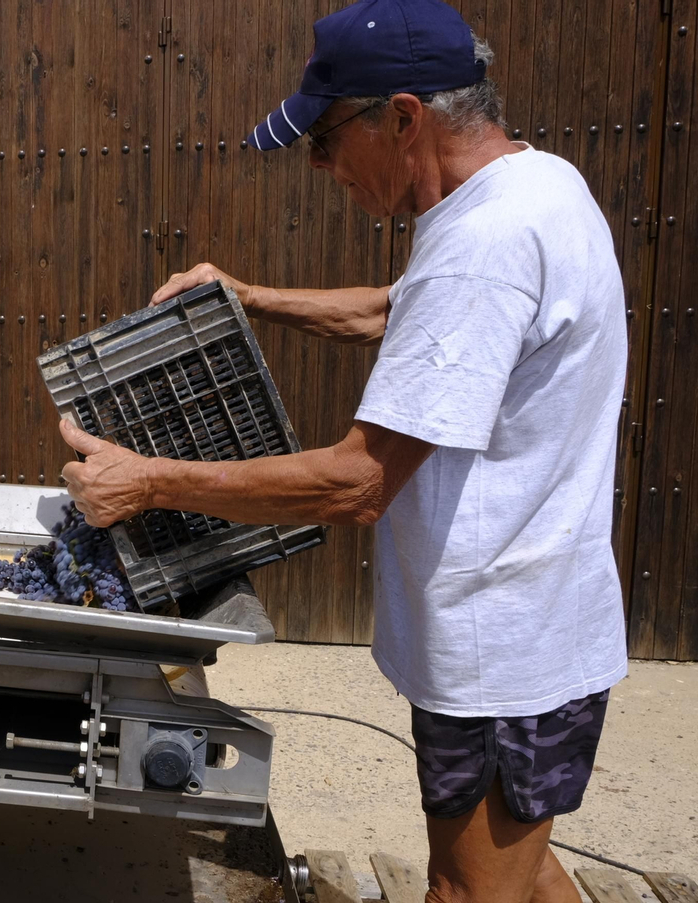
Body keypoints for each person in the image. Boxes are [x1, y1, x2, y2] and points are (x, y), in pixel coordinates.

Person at [58, 2, 627, 901]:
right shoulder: (535, 186)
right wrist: (248, 295)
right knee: (520, 866)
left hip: (498, 647)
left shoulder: (485, 245)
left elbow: (359, 481)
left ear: (403, 118)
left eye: (324, 139)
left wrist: (148, 481)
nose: (319, 166)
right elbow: (396, 314)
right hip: (527, 619)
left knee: (467, 886)